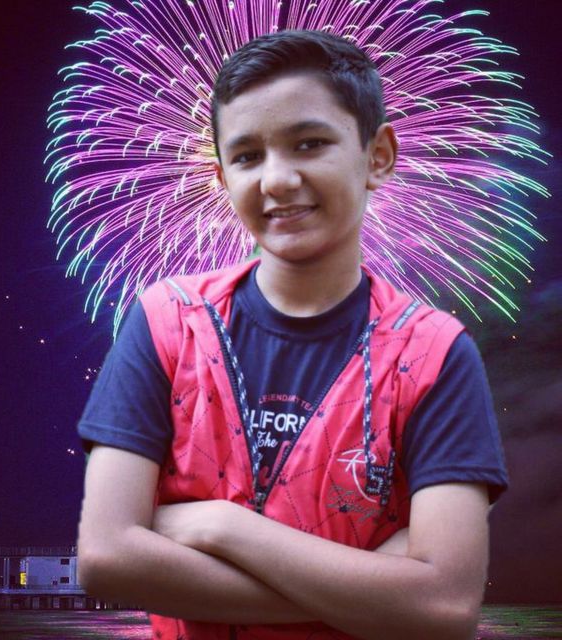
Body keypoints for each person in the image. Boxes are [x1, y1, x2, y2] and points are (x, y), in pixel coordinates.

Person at [75, 30, 508, 640]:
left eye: (310, 144)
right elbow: (106, 559)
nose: (276, 180)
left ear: (378, 155)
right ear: (221, 175)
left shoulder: (435, 354)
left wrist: (220, 527)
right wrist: (380, 590)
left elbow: (444, 608)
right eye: (247, 156)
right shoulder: (165, 322)